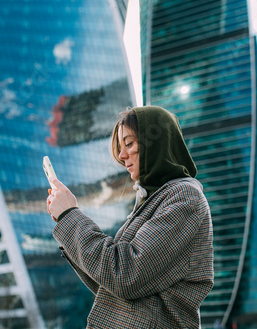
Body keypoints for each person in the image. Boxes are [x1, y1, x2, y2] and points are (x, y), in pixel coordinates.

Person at [46, 106, 214, 328]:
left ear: (156, 143)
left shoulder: (184, 197)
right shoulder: (152, 200)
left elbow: (125, 276)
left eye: (129, 144)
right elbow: (111, 287)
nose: (122, 156)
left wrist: (70, 216)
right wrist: (66, 221)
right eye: (120, 148)